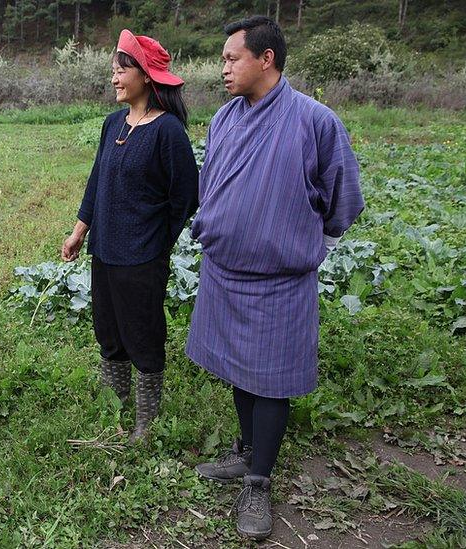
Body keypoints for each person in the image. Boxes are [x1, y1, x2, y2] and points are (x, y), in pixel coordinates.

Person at [187, 16, 364, 540]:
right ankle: (245, 454)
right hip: (224, 270)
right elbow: (212, 185)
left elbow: (341, 197)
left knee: (273, 379)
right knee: (240, 370)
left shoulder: (315, 120)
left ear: (266, 59)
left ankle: (259, 481)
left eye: (231, 58)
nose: (223, 68)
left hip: (281, 279)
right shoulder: (223, 119)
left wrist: (307, 248)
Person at [61, 30, 199, 442]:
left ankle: (146, 420)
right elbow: (96, 181)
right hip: (104, 251)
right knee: (108, 329)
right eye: (114, 70)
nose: (115, 77)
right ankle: (115, 405)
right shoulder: (112, 124)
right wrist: (79, 232)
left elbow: (186, 197)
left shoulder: (168, 131)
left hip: (142, 257)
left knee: (143, 333)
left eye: (122, 69)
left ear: (146, 76)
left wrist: (158, 241)